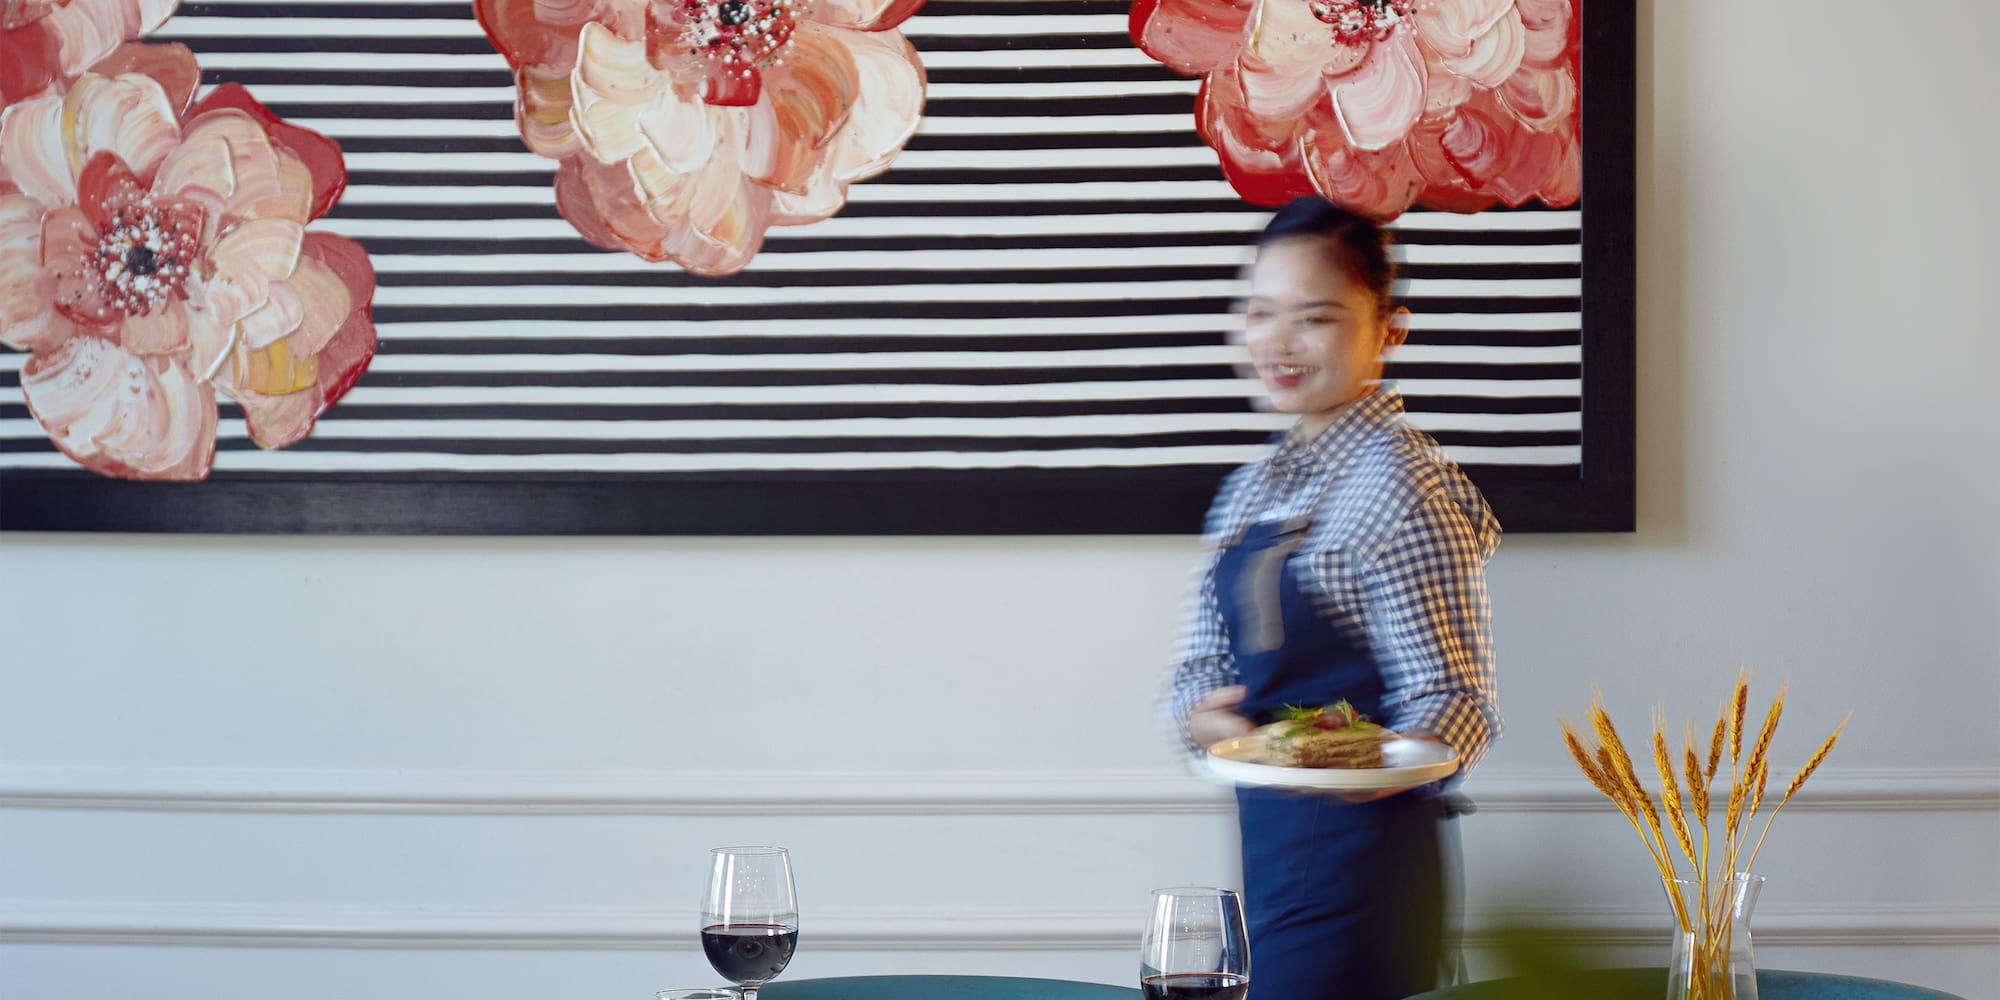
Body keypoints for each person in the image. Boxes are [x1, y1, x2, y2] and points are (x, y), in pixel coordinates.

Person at [1166, 196, 1503, 1000]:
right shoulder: (1251, 491)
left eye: (1315, 318)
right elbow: (1199, 668)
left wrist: (1367, 762)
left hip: (1368, 872)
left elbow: (1457, 700)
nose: (1279, 342)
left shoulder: (1403, 485)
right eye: (1261, 313)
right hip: (1271, 858)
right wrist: (1207, 721)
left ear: (1389, 330)